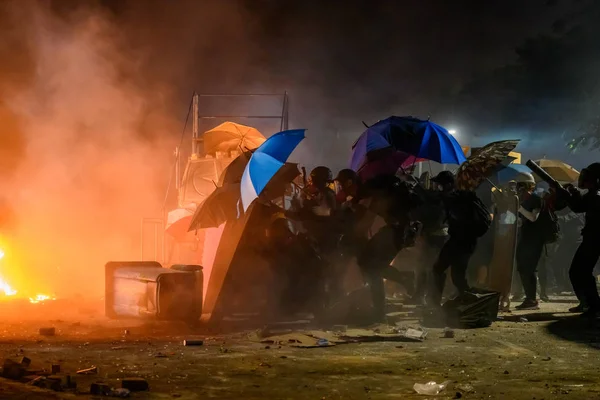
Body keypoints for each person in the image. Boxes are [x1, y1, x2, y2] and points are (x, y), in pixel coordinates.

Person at [427, 171, 491, 307]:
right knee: (438, 269)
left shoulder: (460, 198)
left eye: (440, 185)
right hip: (456, 240)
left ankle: (471, 303)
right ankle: (435, 304)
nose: (438, 187)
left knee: (457, 276)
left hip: (465, 242)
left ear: (449, 184)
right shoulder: (452, 197)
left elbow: (456, 211)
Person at [561, 163, 600, 318]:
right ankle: (589, 303)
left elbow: (578, 206)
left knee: (580, 271)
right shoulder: (594, 193)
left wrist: (571, 194)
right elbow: (579, 205)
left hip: (594, 239)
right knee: (580, 271)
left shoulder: (595, 195)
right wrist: (572, 193)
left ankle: (594, 305)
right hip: (592, 238)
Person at [514, 177, 544, 310]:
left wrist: (520, 209)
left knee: (529, 268)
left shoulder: (536, 199)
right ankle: (528, 297)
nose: (519, 191)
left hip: (534, 239)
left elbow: (533, 217)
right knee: (522, 267)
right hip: (524, 238)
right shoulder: (522, 201)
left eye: (521, 187)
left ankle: (532, 299)